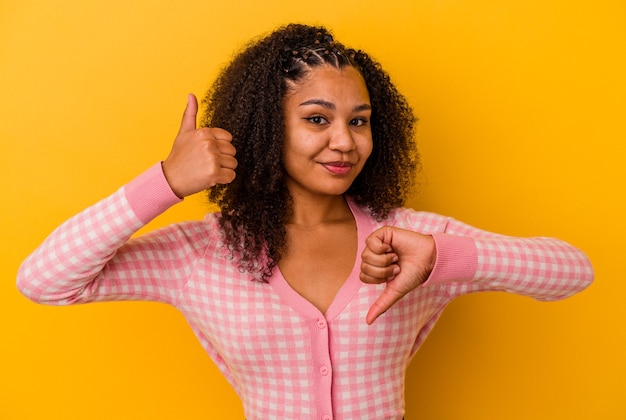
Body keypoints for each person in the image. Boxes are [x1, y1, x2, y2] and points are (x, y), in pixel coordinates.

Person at [17, 23, 594, 420]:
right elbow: (43, 281)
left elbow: (573, 272)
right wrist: (164, 182)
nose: (344, 142)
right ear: (268, 126)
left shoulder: (413, 239)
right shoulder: (203, 253)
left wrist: (447, 257)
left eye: (360, 121)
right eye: (316, 118)